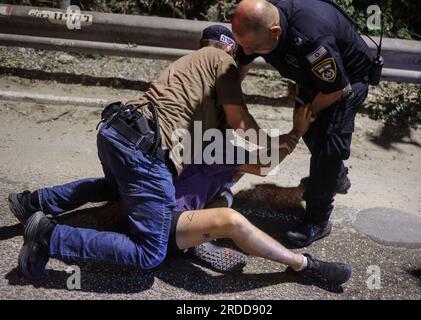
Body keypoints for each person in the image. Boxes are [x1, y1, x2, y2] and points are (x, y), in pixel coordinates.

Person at [8, 25, 298, 280]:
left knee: (116, 186)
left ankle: (33, 201)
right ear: (231, 49)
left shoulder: (187, 73)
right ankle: (49, 237)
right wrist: (296, 132)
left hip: (116, 129)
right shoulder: (224, 63)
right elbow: (249, 139)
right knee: (149, 253)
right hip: (148, 153)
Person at [9, 101, 353, 292]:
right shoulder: (206, 139)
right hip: (161, 215)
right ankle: (305, 265)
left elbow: (262, 166)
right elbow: (265, 163)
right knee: (227, 219)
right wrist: (296, 132)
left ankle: (37, 205)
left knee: (224, 206)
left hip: (148, 202)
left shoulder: (203, 137)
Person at [231, 0, 373, 247]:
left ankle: (318, 220)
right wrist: (227, 95)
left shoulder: (310, 38)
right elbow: (241, 64)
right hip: (311, 78)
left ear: (275, 32)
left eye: (253, 46)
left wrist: (307, 114)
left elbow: (335, 88)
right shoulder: (256, 27)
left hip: (345, 82)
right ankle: (336, 176)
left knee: (327, 149)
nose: (248, 50)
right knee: (311, 137)